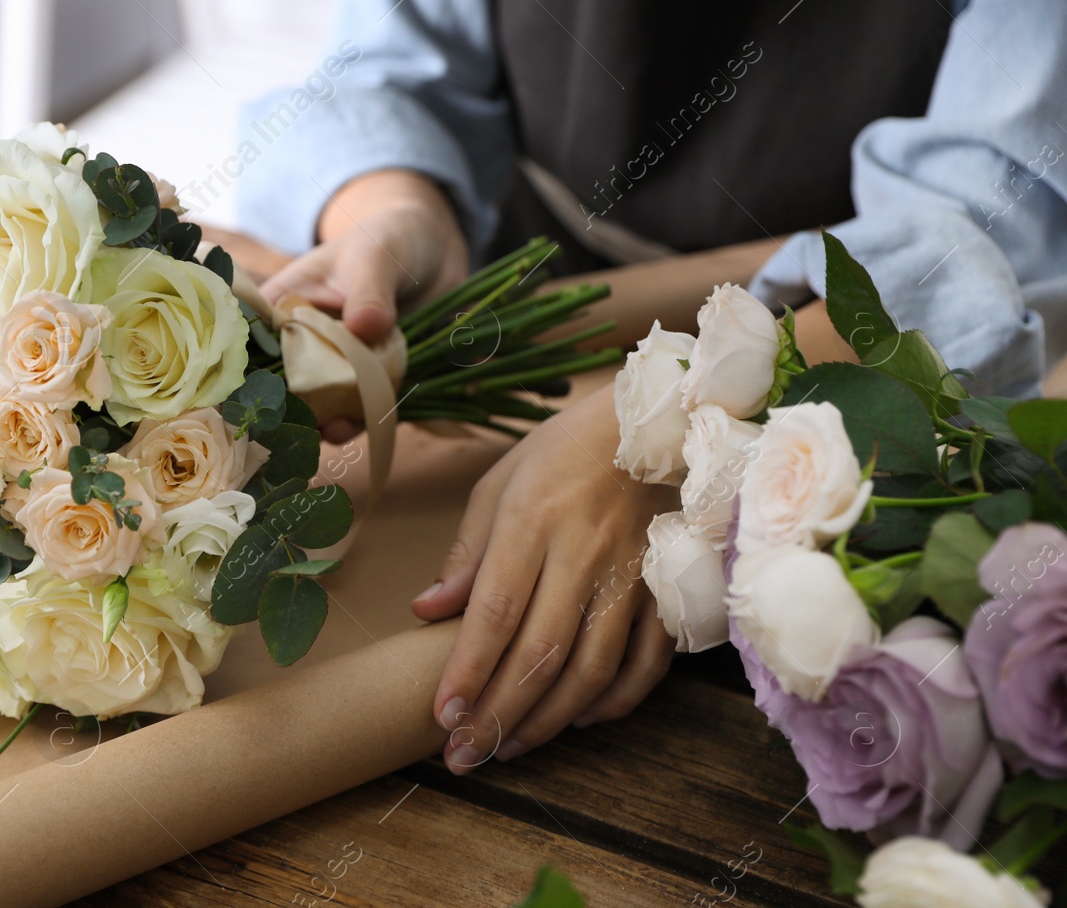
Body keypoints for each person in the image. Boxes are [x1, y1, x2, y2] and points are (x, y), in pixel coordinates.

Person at [233, 0, 1067, 772]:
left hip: (829, 336)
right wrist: (393, 214)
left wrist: (679, 438)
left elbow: (983, 234)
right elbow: (399, 63)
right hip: (529, 289)